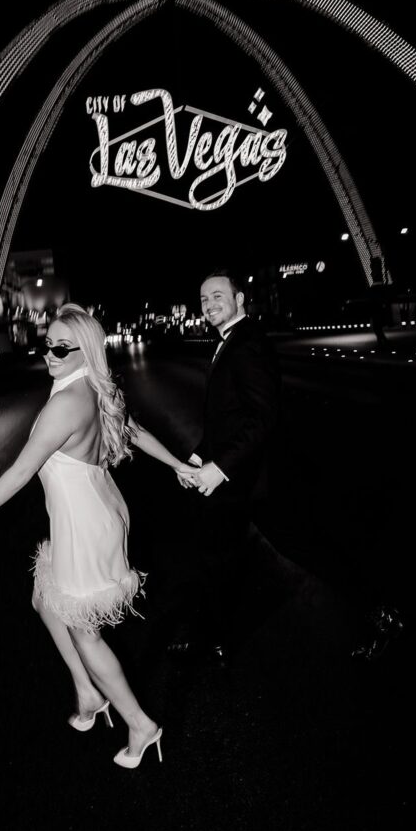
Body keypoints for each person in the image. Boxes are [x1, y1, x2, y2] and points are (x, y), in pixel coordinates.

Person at [0, 303, 197, 769]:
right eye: (47, 344)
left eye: (62, 347)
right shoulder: (95, 389)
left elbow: (20, 470)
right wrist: (178, 463)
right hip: (97, 509)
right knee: (44, 596)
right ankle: (86, 690)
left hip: (85, 524)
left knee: (85, 630)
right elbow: (134, 431)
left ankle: (139, 723)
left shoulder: (66, 402)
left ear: (86, 351)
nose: (50, 353)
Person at [170, 269, 281, 661]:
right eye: (203, 300)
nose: (209, 305)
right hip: (235, 471)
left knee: (290, 545)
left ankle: (216, 635)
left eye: (218, 296)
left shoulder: (246, 343)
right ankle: (216, 633)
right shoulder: (227, 341)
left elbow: (263, 417)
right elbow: (227, 417)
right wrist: (200, 455)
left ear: (239, 300)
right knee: (216, 552)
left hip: (244, 475)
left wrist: (219, 468)